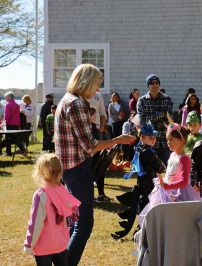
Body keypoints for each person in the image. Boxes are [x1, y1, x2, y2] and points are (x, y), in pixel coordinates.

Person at [54, 63, 136, 265]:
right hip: (77, 170)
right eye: (97, 84)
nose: (98, 89)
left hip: (68, 169)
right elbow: (89, 145)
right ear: (87, 81)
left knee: (74, 222)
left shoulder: (66, 100)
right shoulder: (76, 104)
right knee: (84, 224)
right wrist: (119, 140)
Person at [138, 123, 201, 226]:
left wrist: (167, 186)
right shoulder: (172, 155)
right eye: (167, 139)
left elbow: (184, 182)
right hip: (167, 191)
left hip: (180, 193)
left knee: (178, 220)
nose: (168, 142)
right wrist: (163, 181)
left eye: (171, 139)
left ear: (182, 140)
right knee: (162, 217)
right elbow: (171, 174)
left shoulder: (184, 158)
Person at [23, 153, 81, 266]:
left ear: (40, 172)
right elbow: (72, 214)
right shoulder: (63, 190)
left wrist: (29, 244)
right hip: (61, 244)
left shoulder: (40, 195)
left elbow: (35, 223)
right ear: (60, 171)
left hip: (43, 247)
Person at [113, 122, 166, 239]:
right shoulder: (147, 152)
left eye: (154, 137)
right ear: (142, 137)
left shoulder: (140, 148)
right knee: (148, 205)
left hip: (143, 181)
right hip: (148, 182)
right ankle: (141, 231)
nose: (153, 140)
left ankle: (141, 230)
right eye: (150, 137)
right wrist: (160, 165)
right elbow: (161, 167)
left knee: (145, 205)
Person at [137, 74, 173, 165]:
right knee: (149, 169)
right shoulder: (142, 101)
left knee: (170, 167)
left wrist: (153, 116)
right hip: (149, 140)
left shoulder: (167, 99)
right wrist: (161, 114)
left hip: (165, 140)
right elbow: (144, 120)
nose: (155, 85)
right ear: (148, 85)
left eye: (157, 83)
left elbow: (168, 119)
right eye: (152, 83)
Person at [0, 91, 27, 156]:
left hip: (9, 124)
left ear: (9, 97)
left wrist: (3, 123)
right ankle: (23, 149)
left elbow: (7, 116)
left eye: (6, 97)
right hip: (16, 124)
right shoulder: (17, 105)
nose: (5, 99)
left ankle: (8, 152)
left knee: (7, 138)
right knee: (15, 138)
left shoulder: (8, 105)